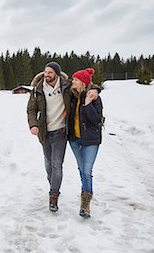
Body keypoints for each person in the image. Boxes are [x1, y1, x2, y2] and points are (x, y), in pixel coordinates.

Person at [27, 62, 100, 212]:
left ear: (57, 74)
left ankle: (54, 196)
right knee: (48, 165)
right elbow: (31, 110)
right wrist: (33, 124)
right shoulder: (38, 90)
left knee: (57, 165)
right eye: (45, 72)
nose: (47, 74)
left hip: (61, 132)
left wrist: (95, 90)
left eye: (50, 72)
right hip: (45, 132)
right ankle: (53, 185)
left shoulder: (66, 88)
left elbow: (85, 84)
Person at [67, 68, 103, 218]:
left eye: (75, 79)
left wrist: (88, 104)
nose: (72, 81)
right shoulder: (72, 95)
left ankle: (85, 203)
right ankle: (85, 191)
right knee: (81, 169)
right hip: (74, 139)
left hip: (90, 140)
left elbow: (96, 120)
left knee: (87, 170)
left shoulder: (94, 98)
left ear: (82, 82)